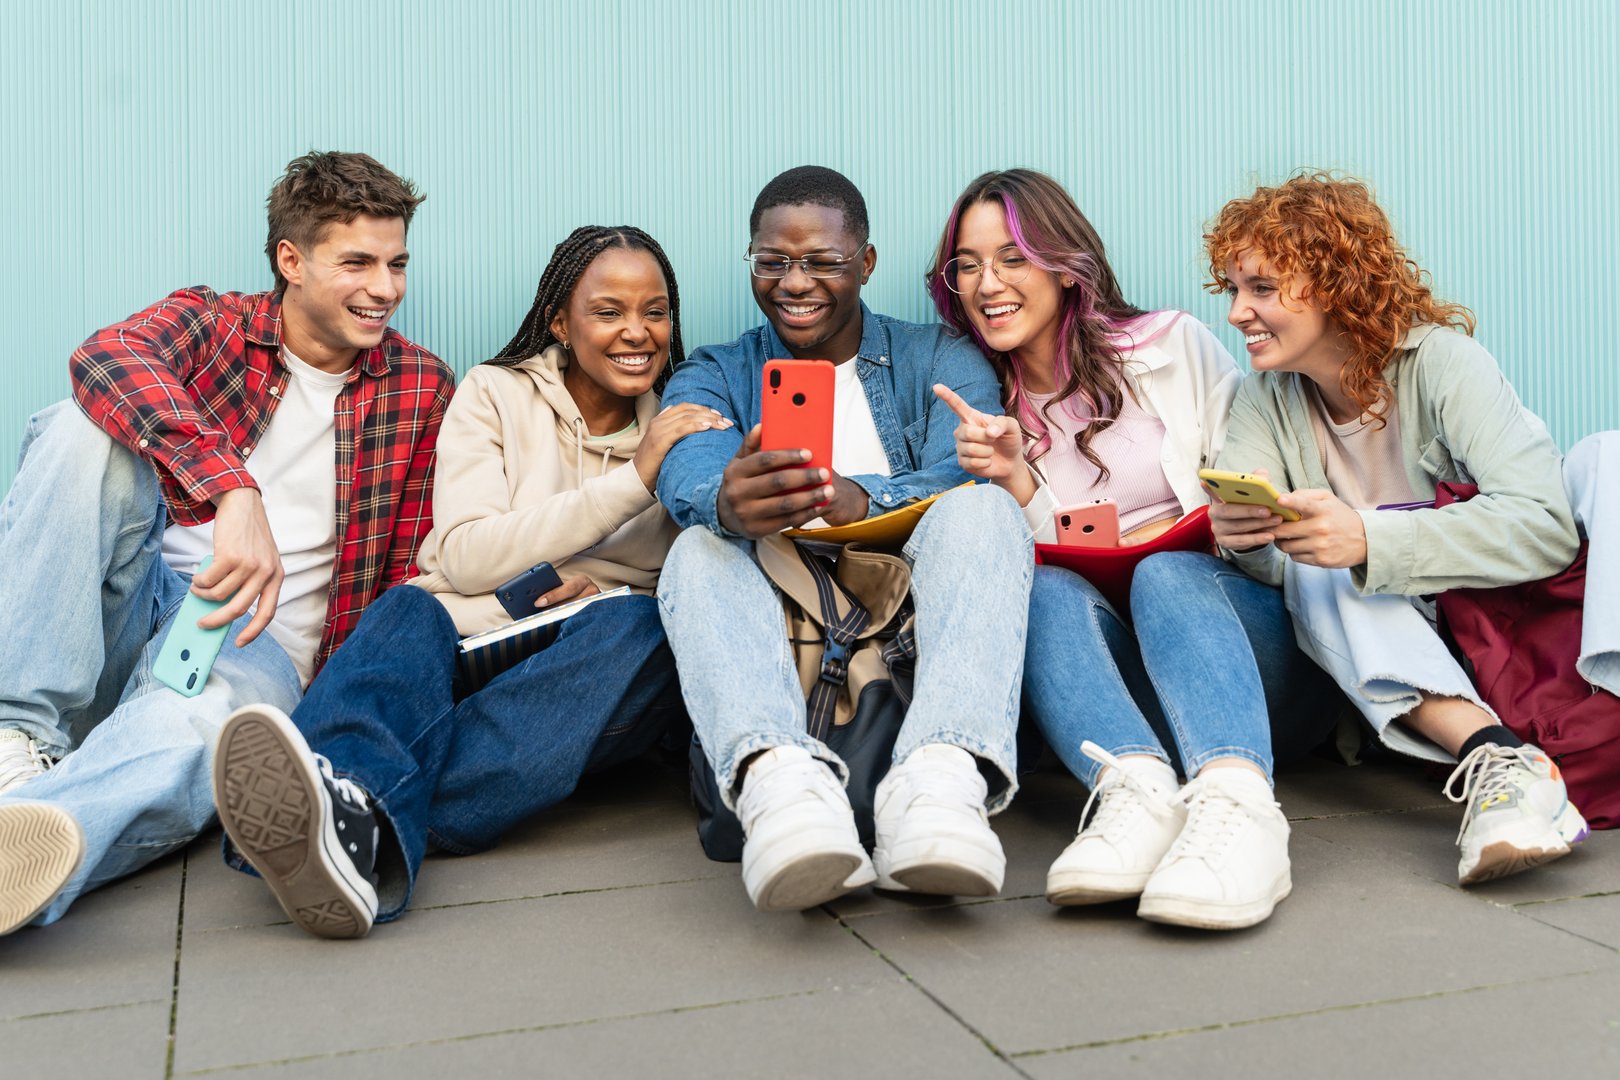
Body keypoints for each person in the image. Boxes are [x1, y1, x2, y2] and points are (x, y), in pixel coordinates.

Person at [212, 227, 725, 938]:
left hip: (577, 669)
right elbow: (466, 556)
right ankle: (360, 823)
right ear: (560, 322)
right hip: (461, 633)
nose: (637, 332)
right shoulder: (495, 392)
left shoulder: (685, 426)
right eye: (608, 311)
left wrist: (605, 584)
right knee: (405, 609)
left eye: (656, 311)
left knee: (642, 630)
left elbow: (686, 580)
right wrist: (629, 487)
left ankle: (345, 816)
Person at [0, 152, 452, 936]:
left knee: (192, 737)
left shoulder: (421, 388)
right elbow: (104, 360)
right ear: (291, 261)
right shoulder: (211, 324)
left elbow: (406, 575)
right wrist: (233, 489)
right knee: (84, 431)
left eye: (396, 263)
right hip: (125, 605)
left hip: (249, 643)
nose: (386, 288)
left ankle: (34, 827)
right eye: (358, 262)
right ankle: (14, 738)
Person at [926, 169, 1336, 930]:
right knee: (1041, 592)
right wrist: (1018, 479)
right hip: (1120, 690)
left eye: (1011, 257)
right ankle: (1133, 793)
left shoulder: (1171, 345)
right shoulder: (986, 412)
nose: (988, 283)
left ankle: (1242, 810)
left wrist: (1182, 537)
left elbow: (1254, 485)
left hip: (1248, 662)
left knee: (1166, 572)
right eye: (969, 264)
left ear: (1062, 261)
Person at [655, 165, 1032, 913]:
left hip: (906, 596)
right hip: (782, 594)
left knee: (988, 510)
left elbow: (968, 464)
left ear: (865, 263)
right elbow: (684, 468)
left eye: (822, 261)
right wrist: (726, 498)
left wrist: (864, 497)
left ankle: (939, 785)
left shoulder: (938, 356)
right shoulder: (718, 371)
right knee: (695, 546)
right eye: (773, 261)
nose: (795, 282)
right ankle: (779, 789)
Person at [1205, 172, 1588, 884]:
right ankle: (1497, 764)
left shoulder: (1442, 363)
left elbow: (1544, 526)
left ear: (1333, 280)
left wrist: (1370, 539)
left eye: (1260, 288)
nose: (1237, 313)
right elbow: (1273, 572)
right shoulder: (1265, 399)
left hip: (1488, 625)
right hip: (1379, 663)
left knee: (1339, 547)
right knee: (1314, 558)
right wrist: (1243, 536)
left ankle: (1503, 767)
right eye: (1233, 290)